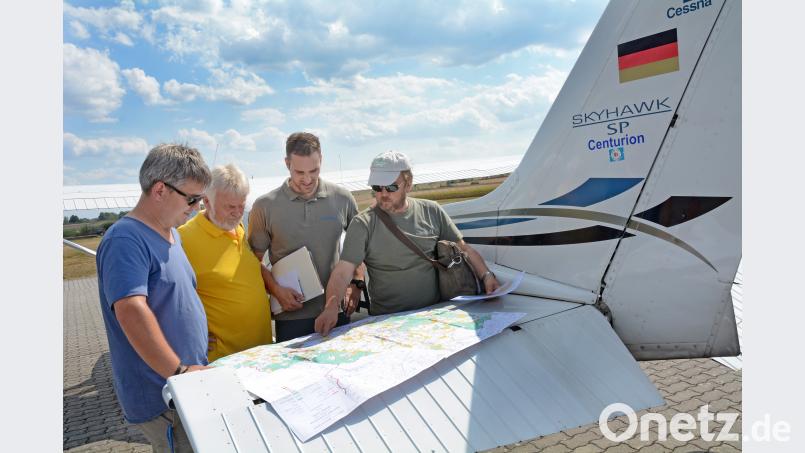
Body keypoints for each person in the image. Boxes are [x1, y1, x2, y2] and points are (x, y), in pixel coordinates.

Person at [96, 144, 212, 452]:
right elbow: (131, 311)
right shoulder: (125, 239)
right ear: (160, 189)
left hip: (184, 386)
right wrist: (179, 371)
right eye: (192, 198)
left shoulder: (172, 234)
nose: (197, 207)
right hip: (164, 396)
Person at [315, 150, 501, 336]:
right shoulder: (362, 223)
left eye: (391, 187)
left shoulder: (432, 211)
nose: (383, 194)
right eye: (377, 188)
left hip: (435, 316)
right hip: (388, 323)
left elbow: (463, 248)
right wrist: (331, 307)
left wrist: (486, 276)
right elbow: (343, 271)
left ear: (409, 184)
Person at [248, 132, 363, 341]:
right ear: (286, 164)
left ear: (322, 161)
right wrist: (276, 290)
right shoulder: (264, 206)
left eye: (314, 170)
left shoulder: (343, 198)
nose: (307, 179)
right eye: (299, 172)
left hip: (336, 310)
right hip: (291, 316)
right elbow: (252, 262)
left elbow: (358, 248)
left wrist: (357, 283)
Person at [178, 163, 273, 362]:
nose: (238, 213)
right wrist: (186, 337)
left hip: (261, 352)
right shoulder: (183, 239)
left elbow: (251, 268)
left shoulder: (236, 227)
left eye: (241, 205)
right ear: (206, 201)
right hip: (225, 359)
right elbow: (165, 297)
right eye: (230, 206)